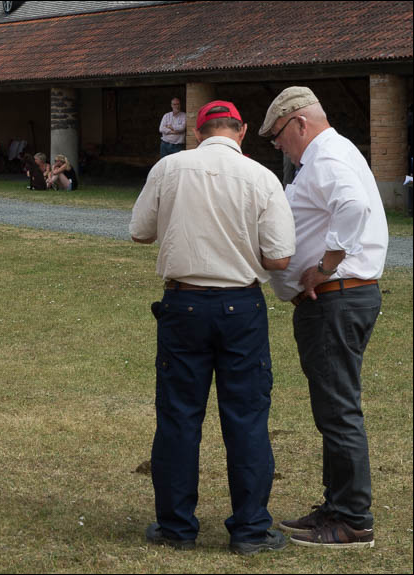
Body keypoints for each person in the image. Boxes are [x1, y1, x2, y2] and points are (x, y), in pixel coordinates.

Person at [130, 100, 296, 555]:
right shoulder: (262, 177)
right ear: (240, 131)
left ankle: (176, 527)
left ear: (198, 133)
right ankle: (249, 530)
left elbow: (140, 232)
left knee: (179, 416)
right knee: (246, 418)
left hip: (183, 302)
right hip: (239, 305)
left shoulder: (170, 169)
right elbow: (280, 257)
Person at [259, 87, 388, 549]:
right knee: (333, 409)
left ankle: (353, 520)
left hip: (336, 294)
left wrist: (326, 264)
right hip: (334, 298)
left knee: (338, 412)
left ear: (299, 123)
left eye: (278, 135)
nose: (277, 145)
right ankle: (336, 507)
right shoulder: (326, 155)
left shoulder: (327, 155)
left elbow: (353, 206)